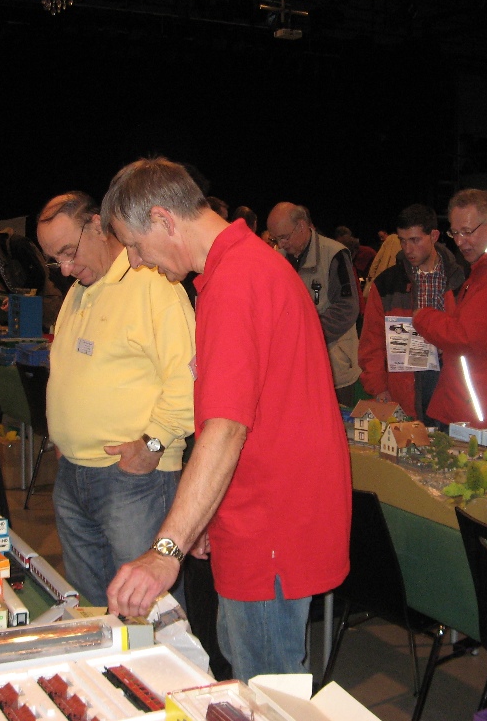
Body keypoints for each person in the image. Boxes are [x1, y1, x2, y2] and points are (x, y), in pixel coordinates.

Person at [101, 157, 350, 682]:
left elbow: (226, 428)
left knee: (267, 691)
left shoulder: (238, 279)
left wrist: (166, 550)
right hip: (256, 516)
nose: (138, 262)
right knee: (246, 671)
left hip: (270, 525)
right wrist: (206, 515)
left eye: (136, 246)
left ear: (164, 220)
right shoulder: (241, 268)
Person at [35, 191, 196, 609]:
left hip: (134, 480)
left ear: (97, 224)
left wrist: (153, 444)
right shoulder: (79, 290)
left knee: (149, 613)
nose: (65, 268)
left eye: (68, 252)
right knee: (93, 613)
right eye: (55, 260)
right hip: (74, 476)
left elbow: (191, 377)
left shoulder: (154, 284)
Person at [412, 189, 487, 437]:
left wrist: (422, 317)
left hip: (484, 412)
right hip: (482, 405)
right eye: (455, 233)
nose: (459, 241)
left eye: (467, 232)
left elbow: (465, 336)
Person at [358, 204, 464, 423]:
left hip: (451, 384)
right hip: (404, 388)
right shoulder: (386, 283)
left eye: (415, 240)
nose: (407, 249)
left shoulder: (460, 279)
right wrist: (378, 388)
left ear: (434, 236)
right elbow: (371, 342)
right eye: (403, 241)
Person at [266, 202, 360, 405]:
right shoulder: (276, 259)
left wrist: (306, 334)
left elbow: (347, 308)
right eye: (275, 239)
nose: (281, 244)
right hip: (292, 369)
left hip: (334, 367)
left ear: (301, 226)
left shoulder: (335, 254)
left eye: (284, 237)